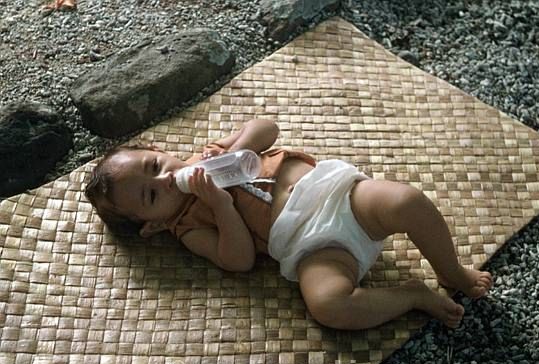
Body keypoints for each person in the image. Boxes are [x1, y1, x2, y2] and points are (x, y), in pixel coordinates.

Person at [85, 119, 493, 330]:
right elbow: (239, 260)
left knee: (407, 200)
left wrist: (236, 146)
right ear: (152, 226)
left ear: (159, 150)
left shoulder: (208, 155)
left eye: (155, 166)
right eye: (152, 196)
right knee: (329, 306)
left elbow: (267, 127)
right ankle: (411, 295)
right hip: (314, 247)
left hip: (337, 195)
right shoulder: (188, 227)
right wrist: (220, 205)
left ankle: (450, 270)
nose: (163, 179)